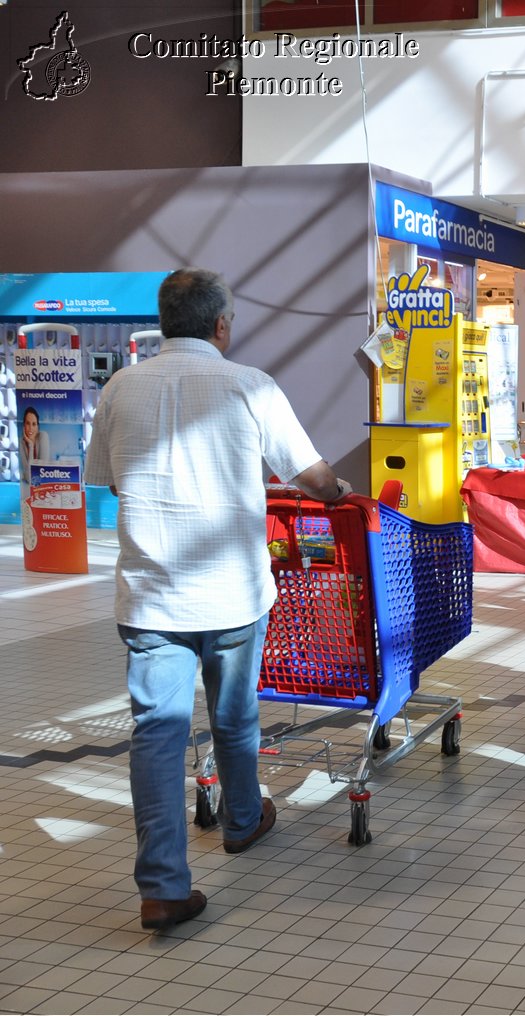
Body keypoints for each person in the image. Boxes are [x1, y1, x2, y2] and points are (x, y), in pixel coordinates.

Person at [84, 268, 351, 931]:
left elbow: (108, 480)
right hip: (232, 596)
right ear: (222, 325)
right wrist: (337, 490)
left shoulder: (119, 386)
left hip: (149, 599)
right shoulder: (249, 385)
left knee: (155, 735)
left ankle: (164, 887)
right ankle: (240, 820)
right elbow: (313, 478)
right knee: (234, 718)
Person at [19, 406, 51, 477]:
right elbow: (29, 477)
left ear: (38, 427)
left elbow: (43, 472)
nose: (31, 428)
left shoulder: (43, 436)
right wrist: (31, 446)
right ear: (24, 425)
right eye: (28, 423)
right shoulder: (20, 442)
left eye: (34, 424)